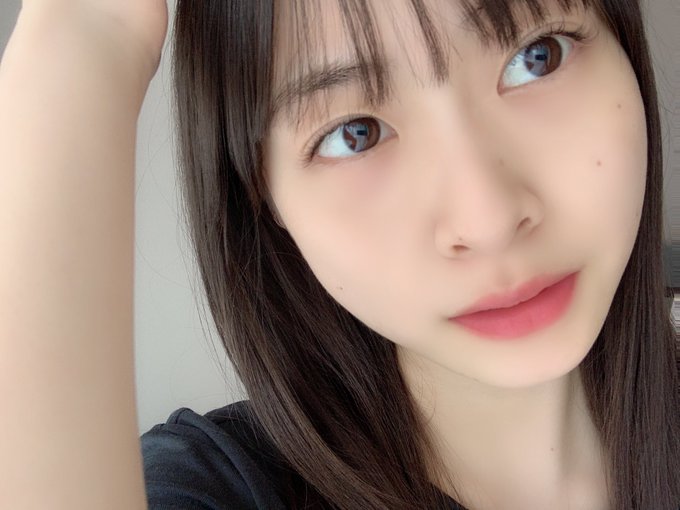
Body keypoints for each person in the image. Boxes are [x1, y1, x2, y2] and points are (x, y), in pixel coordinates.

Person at [0, 0, 677, 509]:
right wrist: (87, 35)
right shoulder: (224, 487)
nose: (489, 220)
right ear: (266, 198)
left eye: (538, 56)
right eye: (356, 133)